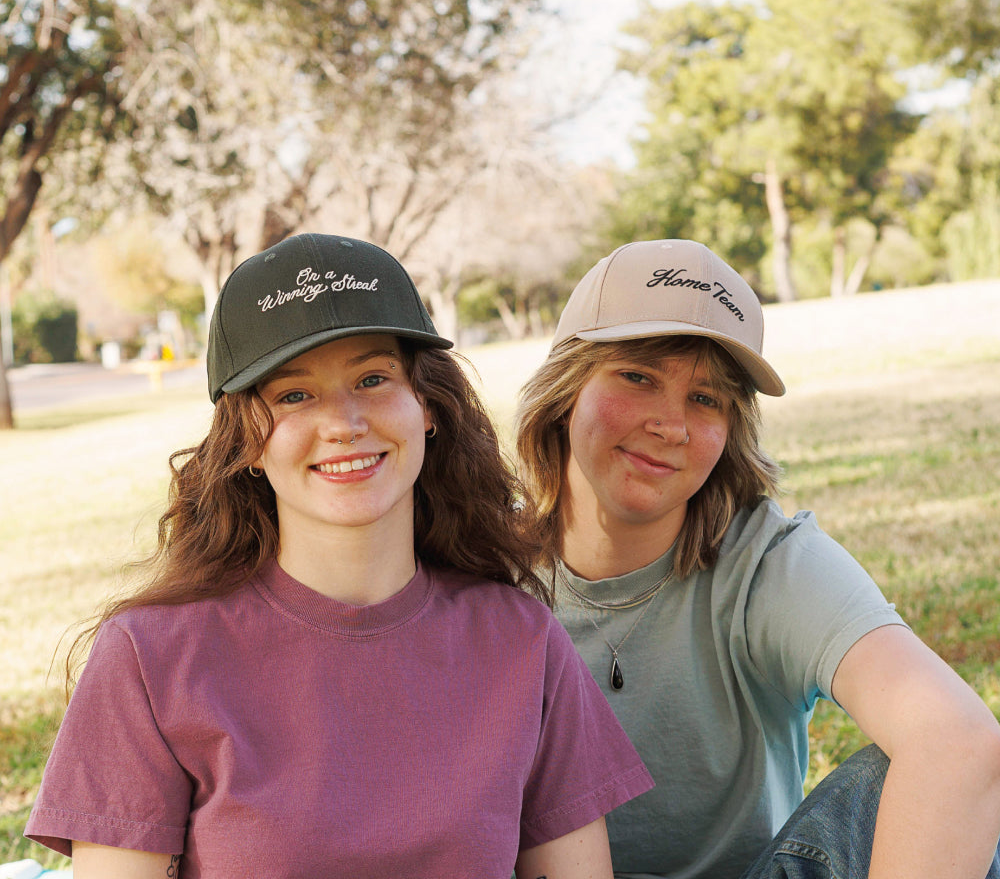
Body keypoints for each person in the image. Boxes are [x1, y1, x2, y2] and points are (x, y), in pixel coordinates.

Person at [26, 233, 654, 879]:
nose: (344, 421)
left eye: (372, 378)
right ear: (246, 441)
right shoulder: (149, 659)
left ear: (428, 406)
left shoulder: (524, 644)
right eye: (294, 395)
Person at [515, 238, 1000, 879]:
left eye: (707, 398)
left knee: (917, 787)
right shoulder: (482, 574)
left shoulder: (767, 564)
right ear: (567, 388)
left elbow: (959, 742)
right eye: (638, 377)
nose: (672, 426)